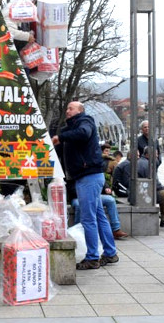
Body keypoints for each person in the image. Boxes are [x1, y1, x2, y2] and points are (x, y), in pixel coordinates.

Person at [52, 101, 118, 270]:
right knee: (99, 216)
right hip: (89, 176)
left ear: (80, 111)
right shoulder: (71, 128)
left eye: (70, 108)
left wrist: (61, 137)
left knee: (89, 219)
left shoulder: (85, 121)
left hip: (88, 176)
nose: (67, 111)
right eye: (66, 108)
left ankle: (92, 257)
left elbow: (83, 133)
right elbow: (63, 147)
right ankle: (110, 253)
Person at [138, 147, 164, 231]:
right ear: (148, 155)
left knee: (163, 193)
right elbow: (155, 183)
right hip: (145, 194)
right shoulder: (148, 165)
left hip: (142, 191)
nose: (157, 156)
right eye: (156, 154)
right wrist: (162, 188)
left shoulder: (141, 162)